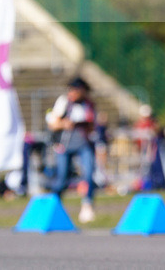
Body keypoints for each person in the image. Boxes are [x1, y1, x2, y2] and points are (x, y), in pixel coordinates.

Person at [47, 77, 98, 223]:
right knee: (62, 177)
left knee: (88, 173)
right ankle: (55, 206)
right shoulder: (64, 102)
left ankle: (87, 205)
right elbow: (52, 124)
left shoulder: (89, 105)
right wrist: (64, 124)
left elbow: (93, 125)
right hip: (65, 145)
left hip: (83, 144)